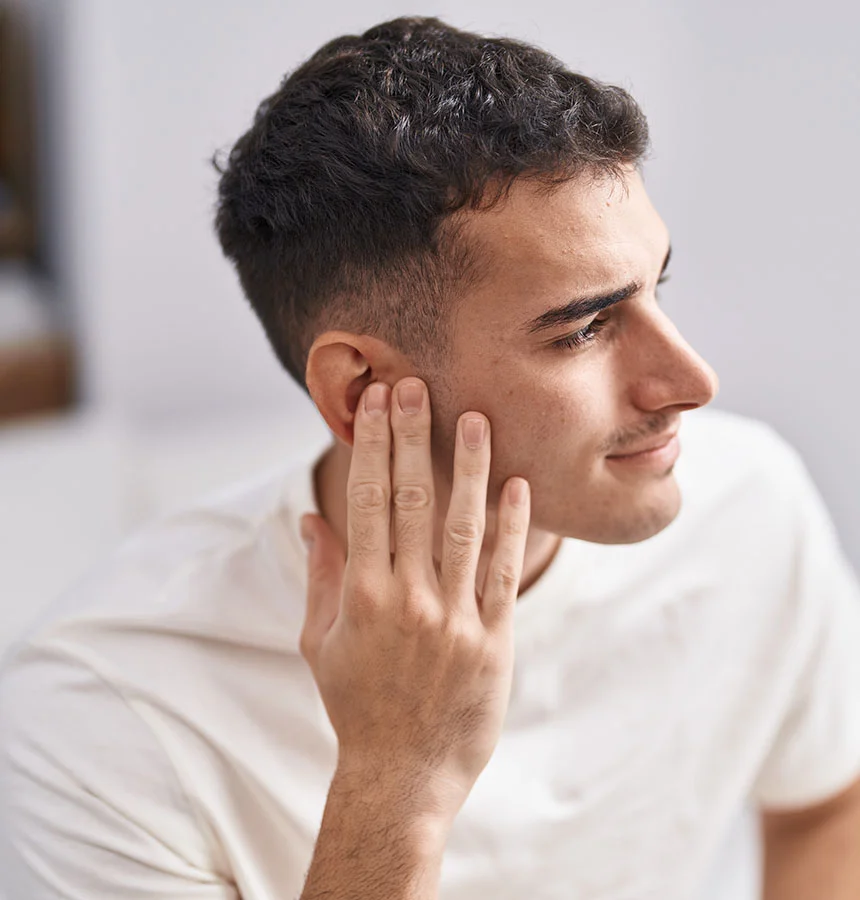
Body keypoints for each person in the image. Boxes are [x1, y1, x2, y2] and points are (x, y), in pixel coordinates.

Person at [2, 15, 859, 900]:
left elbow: (827, 804)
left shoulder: (751, 504)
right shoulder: (101, 715)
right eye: (585, 327)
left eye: (657, 288)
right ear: (361, 390)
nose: (692, 380)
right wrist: (396, 780)